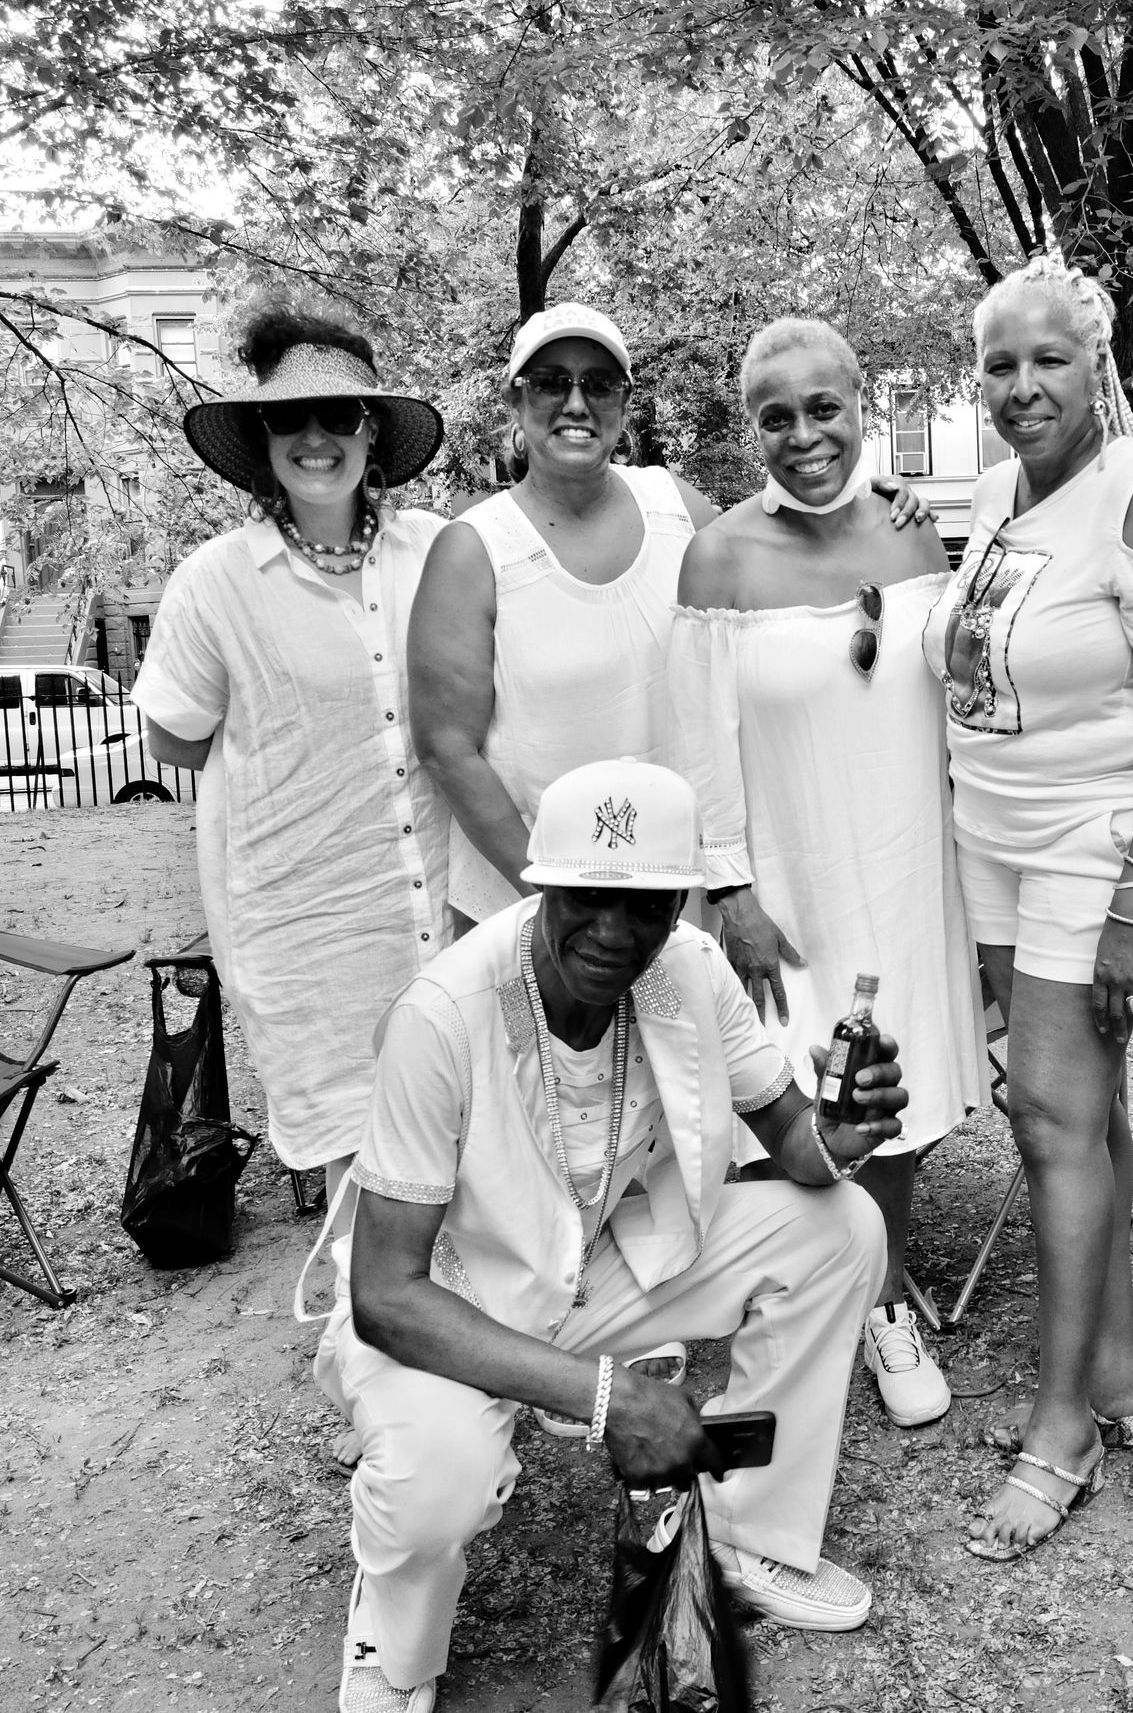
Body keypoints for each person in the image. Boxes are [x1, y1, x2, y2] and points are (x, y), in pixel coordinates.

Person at [325, 760, 907, 1712]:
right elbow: (386, 1293)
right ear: (540, 885)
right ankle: (390, 1633)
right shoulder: (444, 1014)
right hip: (449, 1303)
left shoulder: (691, 969)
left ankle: (749, 1533)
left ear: (679, 905)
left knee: (841, 1226)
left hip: (596, 1265)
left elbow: (793, 1137)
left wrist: (839, 1137)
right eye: (587, 897)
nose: (613, 930)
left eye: (644, 905)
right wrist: (610, 1396)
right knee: (438, 1486)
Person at [922, 256, 1133, 1560]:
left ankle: (1061, 1426)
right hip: (992, 835)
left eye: (1048, 360)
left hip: (1095, 843)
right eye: (999, 364)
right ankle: (1121, 1368)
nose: (1022, 386)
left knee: (1046, 1117)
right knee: (1086, 1113)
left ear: (1098, 366)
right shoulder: (991, 493)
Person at [135, 309, 450, 1473]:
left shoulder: (435, 555)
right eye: (289, 420)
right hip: (314, 925)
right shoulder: (216, 583)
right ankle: (385, 1416)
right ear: (262, 443)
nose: (316, 438)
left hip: (440, 910)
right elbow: (172, 737)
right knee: (365, 1183)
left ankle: (451, 1393)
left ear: (371, 430)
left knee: (457, 1157)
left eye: (336, 415)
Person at [670, 317, 986, 1431]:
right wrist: (732, 894)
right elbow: (698, 742)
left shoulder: (916, 530)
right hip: (788, 876)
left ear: (860, 404)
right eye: (776, 417)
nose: (804, 435)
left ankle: (883, 1297)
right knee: (791, 1089)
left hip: (905, 856)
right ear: (750, 426)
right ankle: (793, 1299)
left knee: (893, 1088)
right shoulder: (718, 556)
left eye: (824, 408)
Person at [410, 303, 930, 927]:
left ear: (624, 403)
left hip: (675, 896)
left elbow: (776, 561)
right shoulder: (473, 548)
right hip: (535, 902)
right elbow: (446, 748)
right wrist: (558, 900)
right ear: (514, 401)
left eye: (600, 384)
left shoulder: (674, 506)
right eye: (549, 382)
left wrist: (865, 501)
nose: (576, 403)